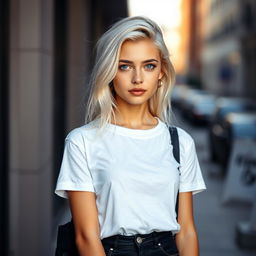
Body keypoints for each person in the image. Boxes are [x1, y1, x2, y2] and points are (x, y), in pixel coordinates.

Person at [55, 16, 207, 256]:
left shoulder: (180, 141)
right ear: (109, 72)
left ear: (161, 72)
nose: (137, 78)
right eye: (124, 66)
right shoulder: (83, 141)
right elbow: (86, 237)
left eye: (149, 66)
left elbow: (186, 231)